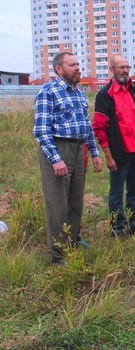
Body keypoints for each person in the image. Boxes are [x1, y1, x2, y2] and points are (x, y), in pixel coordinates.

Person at [33, 52, 103, 265]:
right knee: (57, 205)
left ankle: (71, 244)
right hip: (58, 149)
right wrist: (56, 159)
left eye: (78, 64)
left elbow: (86, 126)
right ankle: (58, 256)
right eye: (72, 65)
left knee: (75, 203)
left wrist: (94, 153)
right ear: (59, 69)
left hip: (77, 149)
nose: (78, 68)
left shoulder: (79, 93)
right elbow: (41, 131)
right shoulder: (48, 92)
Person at [93, 55, 135, 238]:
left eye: (127, 67)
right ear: (112, 69)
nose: (125, 71)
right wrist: (108, 156)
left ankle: (134, 223)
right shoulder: (104, 95)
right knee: (116, 193)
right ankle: (117, 228)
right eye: (121, 67)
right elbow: (100, 129)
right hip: (118, 153)